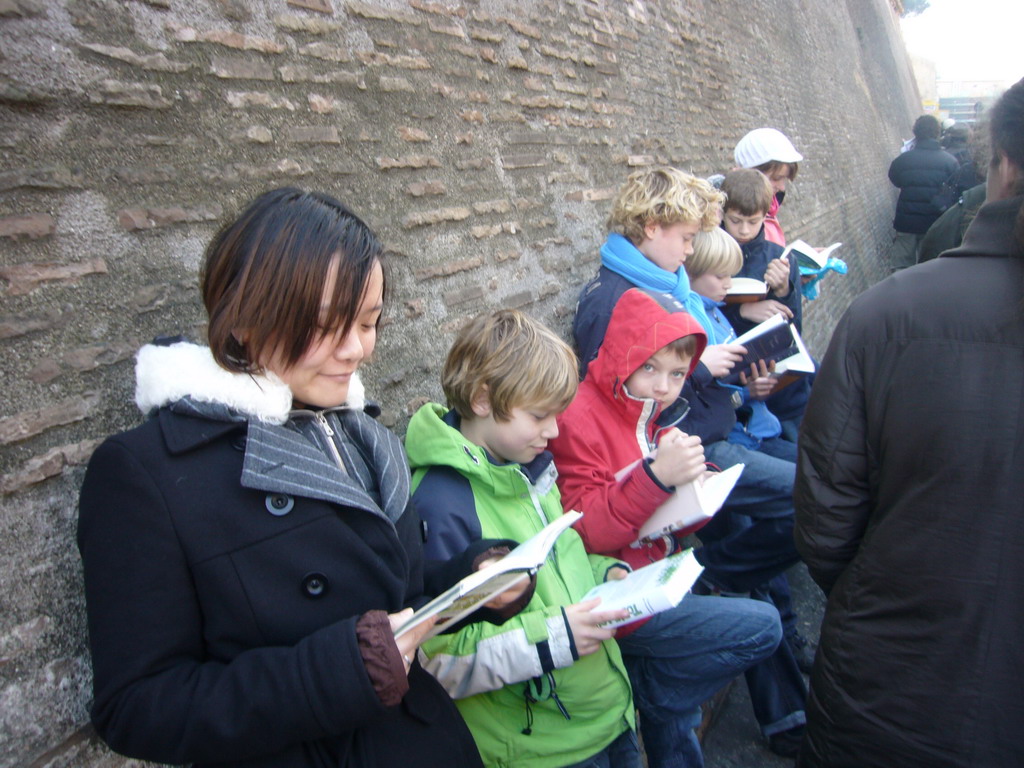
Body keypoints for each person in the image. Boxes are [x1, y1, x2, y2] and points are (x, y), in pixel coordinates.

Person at [76, 188, 517, 767]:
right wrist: (339, 672)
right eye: (330, 324)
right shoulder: (146, 472)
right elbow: (136, 707)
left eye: (368, 322)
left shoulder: (363, 436)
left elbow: (387, 606)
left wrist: (471, 583)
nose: (358, 349)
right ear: (246, 316)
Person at [794, 77, 1024, 768]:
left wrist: (885, 589)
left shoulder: (886, 313)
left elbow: (826, 516)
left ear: (1002, 165)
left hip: (893, 685)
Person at [550, 284, 787, 767]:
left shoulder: (649, 413)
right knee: (761, 629)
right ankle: (654, 693)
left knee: (678, 727)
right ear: (619, 357)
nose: (663, 386)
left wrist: (699, 482)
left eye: (678, 374)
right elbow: (586, 527)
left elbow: (652, 501)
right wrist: (657, 476)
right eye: (650, 369)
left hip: (657, 572)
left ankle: (661, 698)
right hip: (619, 593)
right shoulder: (579, 417)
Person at [405, 309, 640, 768]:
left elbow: (559, 563)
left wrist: (605, 572)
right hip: (542, 745)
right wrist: (557, 636)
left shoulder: (526, 467)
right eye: (539, 416)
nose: (554, 431)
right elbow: (437, 658)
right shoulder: (440, 504)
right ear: (480, 399)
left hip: (602, 712)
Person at [572, 165, 725, 377]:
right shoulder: (610, 304)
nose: (690, 250)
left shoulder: (669, 283)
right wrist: (699, 370)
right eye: (686, 238)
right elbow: (611, 390)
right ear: (652, 228)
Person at [718, 168, 810, 442]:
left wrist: (783, 290)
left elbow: (794, 328)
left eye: (753, 221)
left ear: (765, 217)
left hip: (781, 386)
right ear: (723, 213)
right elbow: (695, 312)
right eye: (735, 221)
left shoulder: (779, 258)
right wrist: (741, 311)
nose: (744, 230)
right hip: (735, 387)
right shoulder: (707, 252)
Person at [885, 114, 959, 271]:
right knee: (929, 268)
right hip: (935, 223)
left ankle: (900, 295)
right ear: (938, 133)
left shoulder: (903, 160)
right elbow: (954, 190)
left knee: (901, 267)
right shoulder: (950, 162)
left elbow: (895, 179)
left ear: (916, 132)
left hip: (906, 221)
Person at [733, 128, 804, 246]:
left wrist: (795, 258)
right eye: (776, 178)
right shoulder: (729, 217)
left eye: (784, 179)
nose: (781, 187)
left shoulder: (769, 208)